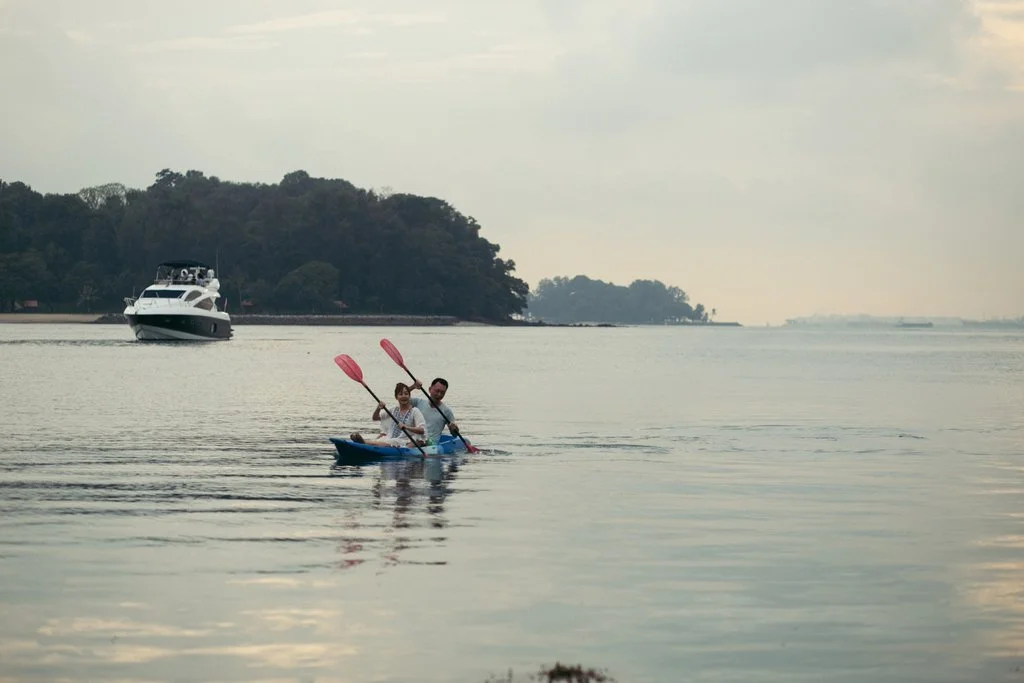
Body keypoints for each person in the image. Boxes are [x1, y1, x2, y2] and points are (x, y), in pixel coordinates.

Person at [350, 382, 426, 447]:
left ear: (409, 396)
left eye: (406, 394)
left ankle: (362, 442)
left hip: (405, 441)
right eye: (400, 394)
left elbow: (421, 430)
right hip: (390, 438)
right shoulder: (393, 410)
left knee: (391, 442)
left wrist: (406, 427)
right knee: (381, 440)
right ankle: (363, 442)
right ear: (396, 397)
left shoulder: (415, 411)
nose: (404, 396)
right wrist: (378, 408)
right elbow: (375, 418)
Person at [409, 377, 459, 445]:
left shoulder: (447, 411)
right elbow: (401, 397)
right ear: (430, 389)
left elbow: (454, 435)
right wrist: (413, 386)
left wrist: (454, 428)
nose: (439, 394)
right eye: (437, 391)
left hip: (431, 445)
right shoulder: (418, 402)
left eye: (442, 393)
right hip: (414, 440)